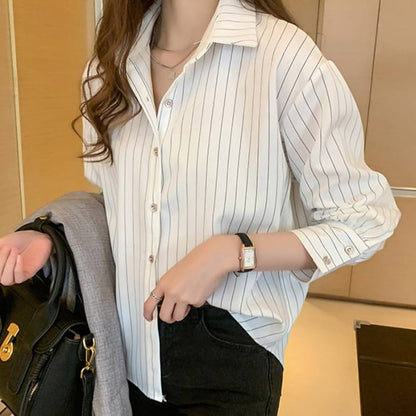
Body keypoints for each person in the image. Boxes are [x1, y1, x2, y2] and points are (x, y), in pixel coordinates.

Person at [0, 0, 401, 415]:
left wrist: (231, 252)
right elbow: (125, 206)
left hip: (230, 351)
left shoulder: (283, 55)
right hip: (126, 348)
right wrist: (53, 237)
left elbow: (363, 219)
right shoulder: (107, 67)